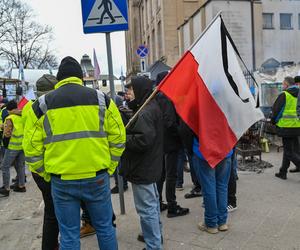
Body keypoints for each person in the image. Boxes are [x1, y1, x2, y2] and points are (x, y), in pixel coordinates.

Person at [23, 56, 125, 250]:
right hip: (97, 177)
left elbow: (32, 149)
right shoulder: (102, 99)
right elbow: (119, 138)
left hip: (62, 180)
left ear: (59, 79)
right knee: (105, 228)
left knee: (69, 235)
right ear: (80, 77)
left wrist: (46, 173)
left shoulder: (41, 105)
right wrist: (109, 166)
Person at [120, 76, 163, 250]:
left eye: (131, 90)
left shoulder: (145, 112)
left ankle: (153, 245)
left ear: (140, 91)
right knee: (152, 205)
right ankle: (155, 239)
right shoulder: (149, 107)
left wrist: (123, 138)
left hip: (143, 167)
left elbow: (142, 141)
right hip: (149, 165)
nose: (128, 93)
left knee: (146, 210)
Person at [155, 71, 190, 217]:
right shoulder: (166, 97)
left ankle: (158, 202)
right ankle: (172, 206)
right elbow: (170, 122)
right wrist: (180, 134)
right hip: (171, 142)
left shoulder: (157, 96)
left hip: (161, 141)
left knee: (162, 174)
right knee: (171, 175)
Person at [193, 137, 232, 234]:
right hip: (225, 147)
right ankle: (222, 222)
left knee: (209, 187)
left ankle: (211, 223)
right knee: (222, 187)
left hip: (204, 149)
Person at [273, 77, 300, 179]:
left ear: (287, 84)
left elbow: (276, 110)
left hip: (286, 127)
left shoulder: (284, 95)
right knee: (289, 150)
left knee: (289, 152)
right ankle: (283, 172)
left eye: (283, 84)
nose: (282, 86)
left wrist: (273, 120)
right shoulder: (299, 94)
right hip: (297, 126)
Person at [0, 100, 26, 197]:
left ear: (9, 109)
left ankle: (6, 188)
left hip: (12, 147)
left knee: (5, 166)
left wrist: (6, 145)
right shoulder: (22, 116)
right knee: (20, 166)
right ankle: (21, 186)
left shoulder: (9, 118)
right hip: (21, 146)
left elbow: (7, 134)